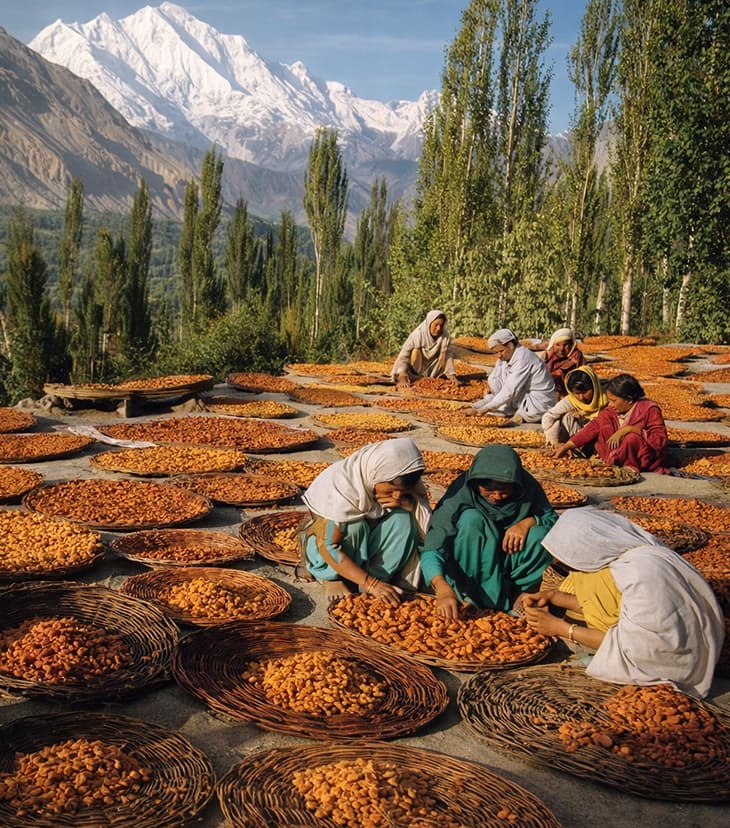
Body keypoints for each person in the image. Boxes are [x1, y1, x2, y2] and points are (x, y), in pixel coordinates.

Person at [523, 507, 724, 698]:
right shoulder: (629, 558)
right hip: (661, 640)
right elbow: (612, 607)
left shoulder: (641, 574)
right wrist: (554, 597)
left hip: (674, 661)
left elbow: (634, 648)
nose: (568, 567)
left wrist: (562, 628)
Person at [419, 444, 558, 616]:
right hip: (471, 563)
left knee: (541, 535)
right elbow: (434, 541)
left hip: (508, 557)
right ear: (476, 482)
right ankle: (470, 595)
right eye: (488, 490)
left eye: (505, 490)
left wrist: (528, 522)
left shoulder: (528, 487)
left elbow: (554, 521)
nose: (497, 496)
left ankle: (512, 593)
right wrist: (441, 585)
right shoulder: (461, 493)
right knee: (472, 519)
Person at [301, 438, 431, 604]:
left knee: (403, 518)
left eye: (402, 491)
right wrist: (371, 584)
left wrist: (410, 504)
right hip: (328, 546)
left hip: (369, 544)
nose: (397, 496)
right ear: (376, 476)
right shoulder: (341, 487)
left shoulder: (404, 476)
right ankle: (331, 578)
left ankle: (378, 575)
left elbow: (425, 524)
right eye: (392, 490)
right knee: (355, 526)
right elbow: (327, 546)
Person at [553, 373, 668, 472]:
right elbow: (591, 428)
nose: (610, 404)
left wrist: (629, 429)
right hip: (613, 455)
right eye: (609, 400)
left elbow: (659, 440)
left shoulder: (649, 409)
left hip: (642, 459)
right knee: (604, 427)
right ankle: (612, 460)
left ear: (629, 399)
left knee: (631, 438)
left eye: (614, 401)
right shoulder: (611, 411)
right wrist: (567, 446)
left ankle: (629, 467)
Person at [470, 329, 556, 422]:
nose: (499, 355)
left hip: (538, 402)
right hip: (523, 396)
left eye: (501, 351)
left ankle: (522, 414)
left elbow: (509, 390)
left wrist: (484, 409)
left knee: (493, 412)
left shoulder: (523, 358)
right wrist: (477, 406)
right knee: (495, 406)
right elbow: (500, 388)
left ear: (510, 345)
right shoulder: (505, 359)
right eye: (496, 352)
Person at [392, 310, 460, 390]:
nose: (438, 328)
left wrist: (452, 374)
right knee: (415, 351)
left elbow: (448, 355)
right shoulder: (417, 335)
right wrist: (402, 375)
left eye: (441, 325)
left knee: (444, 352)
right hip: (414, 369)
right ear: (429, 324)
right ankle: (415, 376)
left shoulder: (444, 336)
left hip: (433, 370)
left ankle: (431, 378)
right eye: (436, 325)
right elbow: (404, 356)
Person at [541, 366, 608, 447]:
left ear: (594, 385)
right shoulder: (571, 400)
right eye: (577, 393)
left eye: (585, 392)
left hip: (602, 439)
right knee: (567, 417)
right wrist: (554, 442)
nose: (581, 397)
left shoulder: (607, 397)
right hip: (579, 440)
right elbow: (548, 417)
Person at [543, 327, 585, 397]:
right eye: (558, 345)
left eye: (565, 345)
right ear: (553, 345)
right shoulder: (550, 357)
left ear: (572, 344)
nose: (562, 349)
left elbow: (559, 373)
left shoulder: (576, 356)